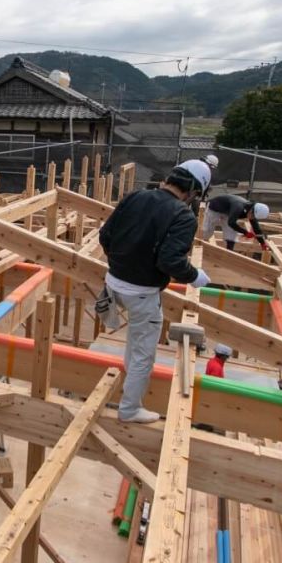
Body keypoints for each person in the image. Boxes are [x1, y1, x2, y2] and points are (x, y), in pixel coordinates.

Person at [99, 160, 212, 423]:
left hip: (112, 284)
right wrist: (194, 276)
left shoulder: (136, 196)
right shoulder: (183, 216)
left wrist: (122, 263)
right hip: (142, 294)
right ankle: (129, 410)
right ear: (193, 190)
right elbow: (169, 261)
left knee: (135, 343)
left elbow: (105, 236)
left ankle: (129, 387)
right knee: (143, 353)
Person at [203, 194, 270, 251]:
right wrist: (245, 232)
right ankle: (200, 245)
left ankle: (229, 254)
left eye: (254, 218)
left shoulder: (251, 211)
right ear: (251, 211)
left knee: (231, 232)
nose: (252, 219)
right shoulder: (239, 207)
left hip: (227, 212)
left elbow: (256, 229)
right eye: (253, 216)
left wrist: (262, 243)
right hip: (214, 208)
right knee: (207, 232)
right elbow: (231, 222)